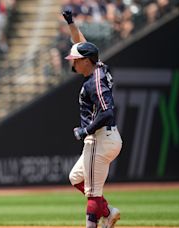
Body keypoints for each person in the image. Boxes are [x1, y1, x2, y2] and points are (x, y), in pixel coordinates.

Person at [62, 10, 123, 228]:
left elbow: (107, 112)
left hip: (99, 138)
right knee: (76, 178)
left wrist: (85, 130)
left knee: (93, 195)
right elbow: (82, 42)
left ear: (86, 61)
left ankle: (98, 219)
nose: (73, 65)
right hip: (105, 138)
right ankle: (108, 212)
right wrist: (71, 23)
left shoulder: (94, 81)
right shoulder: (98, 67)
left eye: (76, 60)